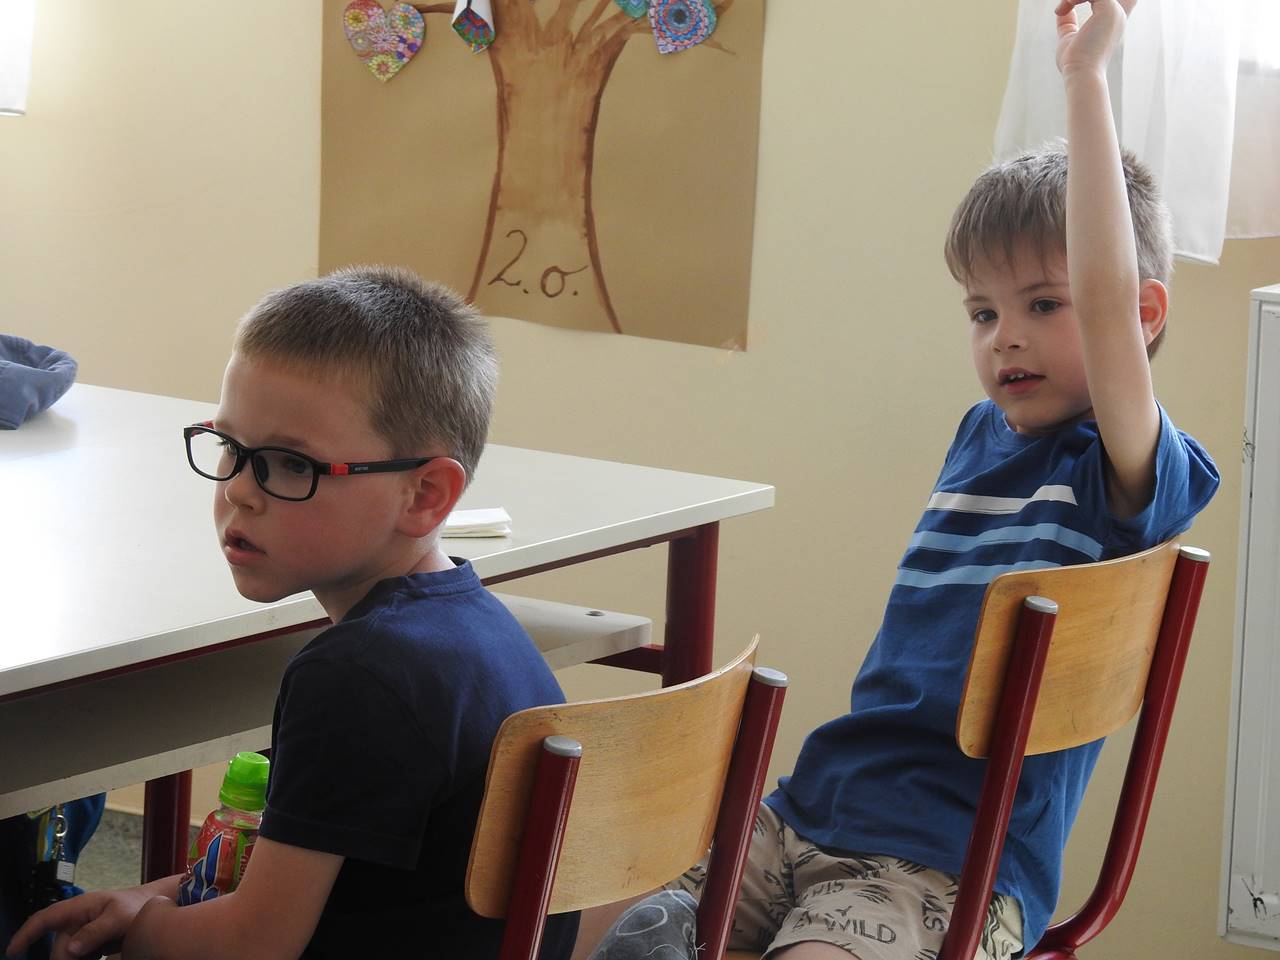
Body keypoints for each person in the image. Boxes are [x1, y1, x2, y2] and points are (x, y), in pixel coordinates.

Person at [578, 2, 1219, 959]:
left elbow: (1106, 297)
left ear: (1139, 313)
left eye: (1045, 305)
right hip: (810, 812)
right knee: (598, 928)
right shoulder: (979, 435)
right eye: (982, 312)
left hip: (950, 866)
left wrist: (1084, 78)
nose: (1005, 337)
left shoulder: (1123, 472)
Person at [6, 266, 579, 960]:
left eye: (289, 465)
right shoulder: (478, 625)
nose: (240, 493)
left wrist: (139, 931)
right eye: (230, 448)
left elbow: (252, 946)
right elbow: (330, 879)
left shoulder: (357, 675)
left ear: (425, 495)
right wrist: (158, 897)